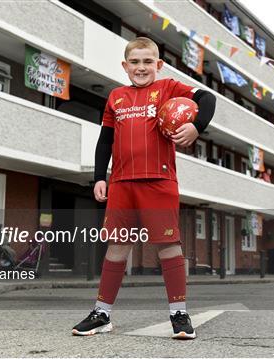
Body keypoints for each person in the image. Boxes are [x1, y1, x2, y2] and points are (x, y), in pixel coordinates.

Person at [72, 37, 216, 339]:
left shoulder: (168, 89)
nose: (141, 67)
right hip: (122, 183)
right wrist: (101, 176)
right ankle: (102, 314)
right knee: (117, 246)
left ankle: (179, 314)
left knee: (168, 245)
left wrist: (196, 126)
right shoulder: (115, 97)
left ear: (158, 65)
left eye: (148, 62)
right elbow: (105, 141)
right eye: (135, 62)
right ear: (125, 66)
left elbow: (207, 98)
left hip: (158, 182)